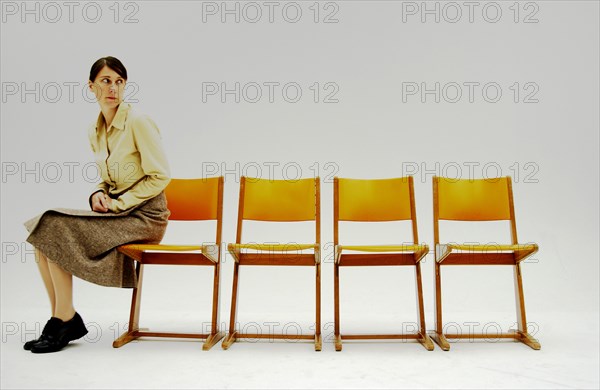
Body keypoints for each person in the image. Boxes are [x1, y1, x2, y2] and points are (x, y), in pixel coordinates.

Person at [23, 56, 171, 353]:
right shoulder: (95, 130)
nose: (113, 87)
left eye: (119, 81)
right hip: (121, 213)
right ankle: (62, 316)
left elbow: (161, 176)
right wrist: (97, 195)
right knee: (43, 228)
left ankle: (64, 319)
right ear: (91, 87)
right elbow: (107, 180)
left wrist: (119, 205)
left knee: (54, 226)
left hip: (145, 216)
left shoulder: (138, 122)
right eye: (105, 81)